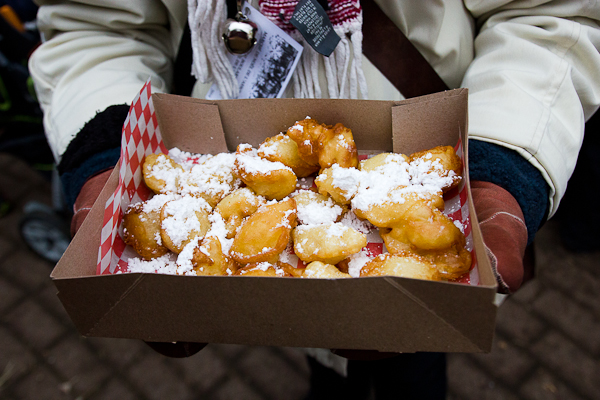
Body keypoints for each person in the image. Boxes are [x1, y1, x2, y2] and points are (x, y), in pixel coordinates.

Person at [28, 0, 600, 398]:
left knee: (417, 353)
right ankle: (328, 383)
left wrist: (505, 159)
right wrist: (106, 153)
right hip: (225, 148)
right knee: (314, 343)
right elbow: (94, 24)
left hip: (433, 144)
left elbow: (550, 16)